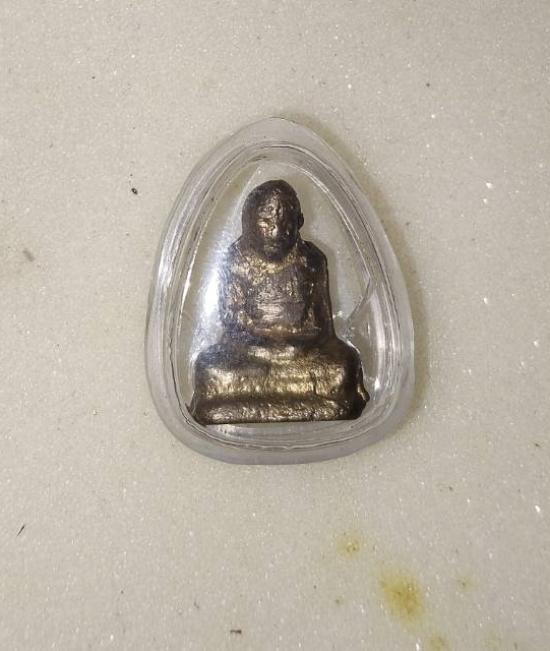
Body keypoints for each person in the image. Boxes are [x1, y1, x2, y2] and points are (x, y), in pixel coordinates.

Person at [190, 179, 368, 424]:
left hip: (301, 354)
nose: (275, 231)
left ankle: (331, 402)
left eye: (285, 222)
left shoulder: (311, 260)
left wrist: (298, 339)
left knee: (343, 365)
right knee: (210, 368)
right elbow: (232, 320)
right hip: (249, 354)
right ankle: (220, 405)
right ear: (247, 223)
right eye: (266, 220)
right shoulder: (235, 259)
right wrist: (268, 337)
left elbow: (323, 326)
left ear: (299, 222)